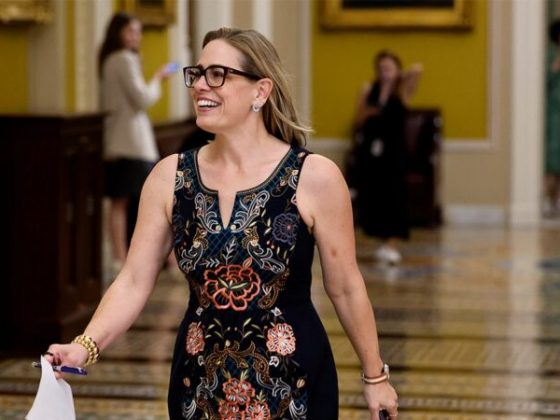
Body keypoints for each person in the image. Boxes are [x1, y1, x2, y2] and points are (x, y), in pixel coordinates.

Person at [44, 28, 398, 419]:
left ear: (260, 91)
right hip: (198, 388)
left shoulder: (314, 177)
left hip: (293, 386)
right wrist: (85, 345)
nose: (199, 85)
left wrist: (375, 377)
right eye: (197, 73)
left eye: (217, 74)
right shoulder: (170, 177)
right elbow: (133, 280)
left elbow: (345, 287)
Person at [99, 12, 173, 272]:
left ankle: (122, 257)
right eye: (131, 31)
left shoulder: (111, 59)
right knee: (142, 200)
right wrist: (158, 78)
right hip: (130, 142)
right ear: (118, 32)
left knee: (121, 202)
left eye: (138, 32)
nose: (136, 37)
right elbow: (142, 99)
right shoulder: (123, 59)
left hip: (119, 140)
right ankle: (132, 258)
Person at [350, 50, 422, 265]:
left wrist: (398, 77)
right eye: (382, 68)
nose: (385, 72)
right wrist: (369, 113)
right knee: (376, 197)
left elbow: (418, 69)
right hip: (372, 152)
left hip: (394, 153)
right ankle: (382, 240)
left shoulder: (401, 90)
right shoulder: (369, 89)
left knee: (395, 197)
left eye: (389, 68)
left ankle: (392, 243)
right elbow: (357, 120)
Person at [545, 19, 560, 217]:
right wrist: (555, 66)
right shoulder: (549, 55)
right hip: (553, 112)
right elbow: (544, 80)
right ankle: (550, 198)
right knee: (552, 156)